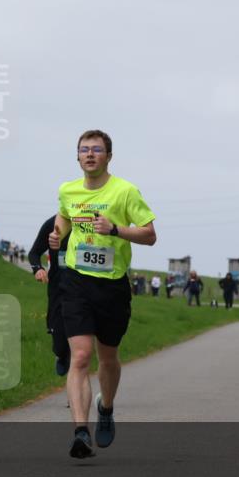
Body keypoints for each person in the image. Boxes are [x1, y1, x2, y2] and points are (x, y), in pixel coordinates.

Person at [48, 129, 156, 459]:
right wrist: (57, 234)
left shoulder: (125, 191)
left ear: (109, 156)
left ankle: (105, 407)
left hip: (112, 286)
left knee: (107, 358)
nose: (90, 154)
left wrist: (115, 229)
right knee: (80, 356)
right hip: (76, 282)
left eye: (97, 150)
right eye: (84, 150)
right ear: (77, 156)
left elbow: (150, 234)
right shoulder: (68, 190)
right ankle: (81, 431)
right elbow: (64, 216)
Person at [28, 215, 72, 376]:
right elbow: (34, 253)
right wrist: (37, 269)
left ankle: (74, 400)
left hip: (83, 289)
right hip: (58, 289)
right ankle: (61, 354)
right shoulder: (53, 224)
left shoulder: (89, 222)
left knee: (80, 351)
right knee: (61, 345)